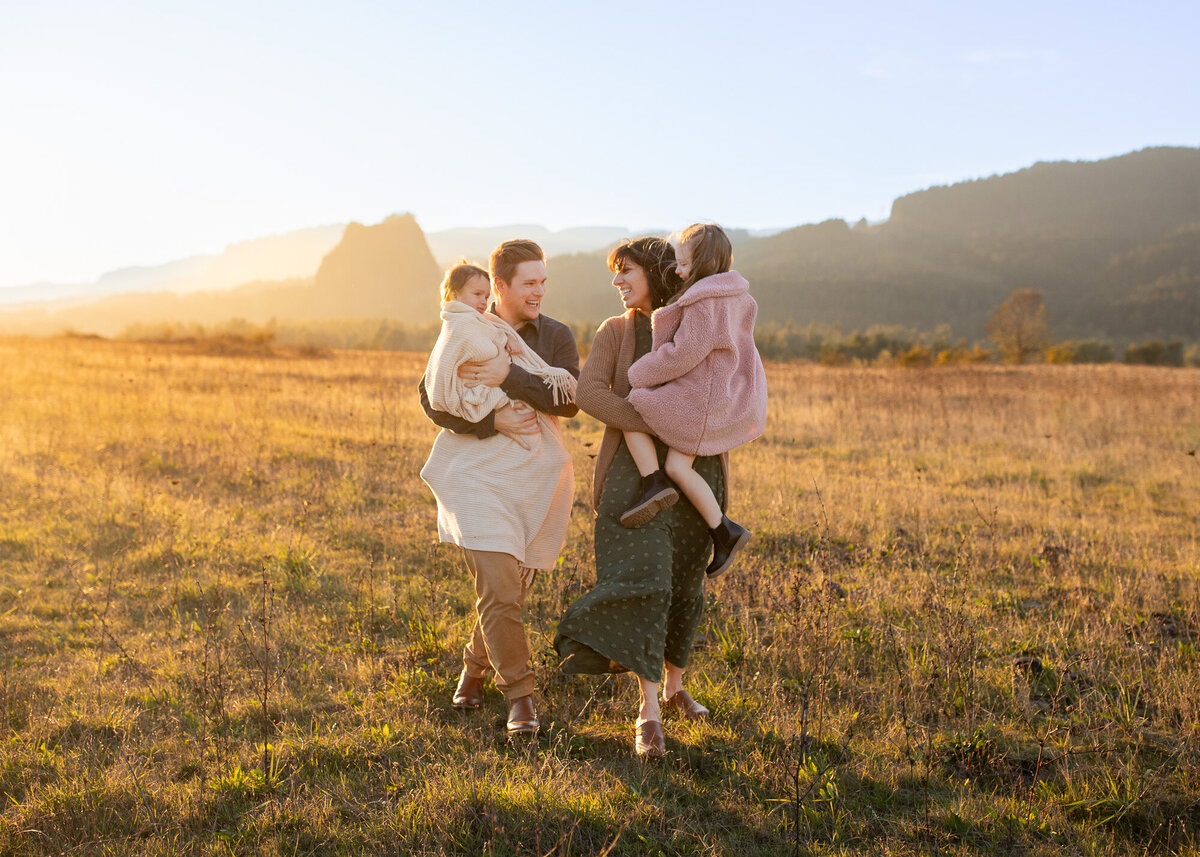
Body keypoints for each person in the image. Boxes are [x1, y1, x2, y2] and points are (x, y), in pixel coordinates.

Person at [554, 237, 724, 760]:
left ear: (656, 270)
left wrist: (692, 423)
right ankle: (647, 711)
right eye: (615, 273)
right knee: (646, 580)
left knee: (684, 584)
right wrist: (649, 419)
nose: (618, 281)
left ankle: (674, 687)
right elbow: (589, 393)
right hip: (633, 480)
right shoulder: (616, 330)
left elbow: (723, 389)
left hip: (697, 470)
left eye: (626, 271)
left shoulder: (698, 321)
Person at [417, 241, 580, 735]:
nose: (540, 292)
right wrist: (493, 418)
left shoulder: (554, 335)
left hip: (532, 479)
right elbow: (434, 398)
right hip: (477, 479)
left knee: (507, 586)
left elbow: (570, 398)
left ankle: (473, 667)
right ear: (500, 285)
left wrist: (511, 375)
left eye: (543, 282)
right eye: (530, 283)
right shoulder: (467, 323)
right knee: (502, 584)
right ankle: (521, 697)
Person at [619, 223, 767, 579]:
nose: (678, 270)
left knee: (634, 402)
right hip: (727, 393)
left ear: (703, 264)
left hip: (702, 399)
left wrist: (639, 373)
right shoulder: (737, 296)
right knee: (678, 467)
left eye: (684, 263)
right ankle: (724, 531)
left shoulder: (704, 301)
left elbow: (683, 353)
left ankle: (652, 483)